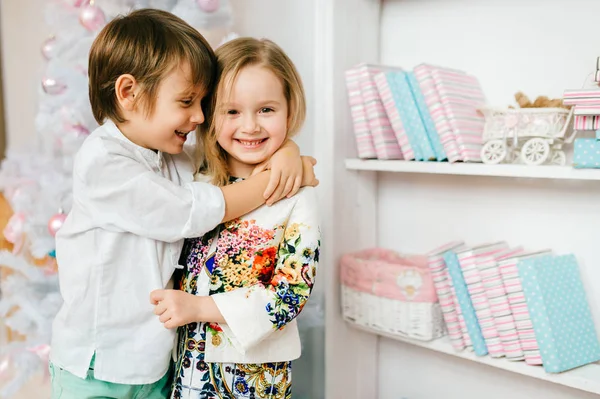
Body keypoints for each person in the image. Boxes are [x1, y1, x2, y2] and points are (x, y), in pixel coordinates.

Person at [49, 11, 317, 399]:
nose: (199, 116)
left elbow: (226, 155)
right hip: (96, 363)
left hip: (157, 362)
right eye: (187, 101)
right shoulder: (102, 162)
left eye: (204, 102)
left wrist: (289, 150)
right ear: (128, 93)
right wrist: (278, 178)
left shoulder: (171, 155)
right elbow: (192, 211)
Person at [151, 37, 320, 399]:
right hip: (183, 365)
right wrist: (291, 151)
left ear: (290, 110)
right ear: (209, 112)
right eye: (232, 111)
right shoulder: (190, 171)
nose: (250, 126)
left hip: (253, 377)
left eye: (266, 110)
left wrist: (199, 308)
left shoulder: (297, 196)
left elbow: (290, 294)